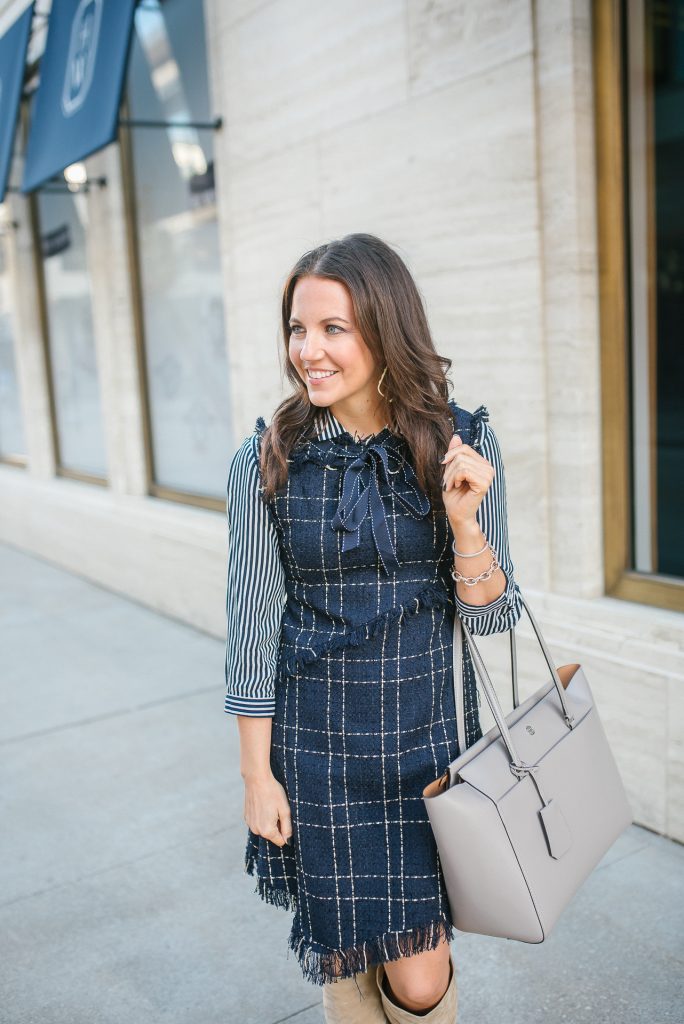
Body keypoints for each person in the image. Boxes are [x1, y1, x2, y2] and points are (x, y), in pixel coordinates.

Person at [224, 232, 523, 1023]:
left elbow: (493, 616)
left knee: (419, 972)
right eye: (297, 328)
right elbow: (253, 630)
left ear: (386, 329)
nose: (307, 351)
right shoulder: (266, 460)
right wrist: (257, 777)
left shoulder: (458, 443)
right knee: (349, 945)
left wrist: (466, 525)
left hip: (426, 746)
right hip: (318, 748)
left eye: (332, 329)